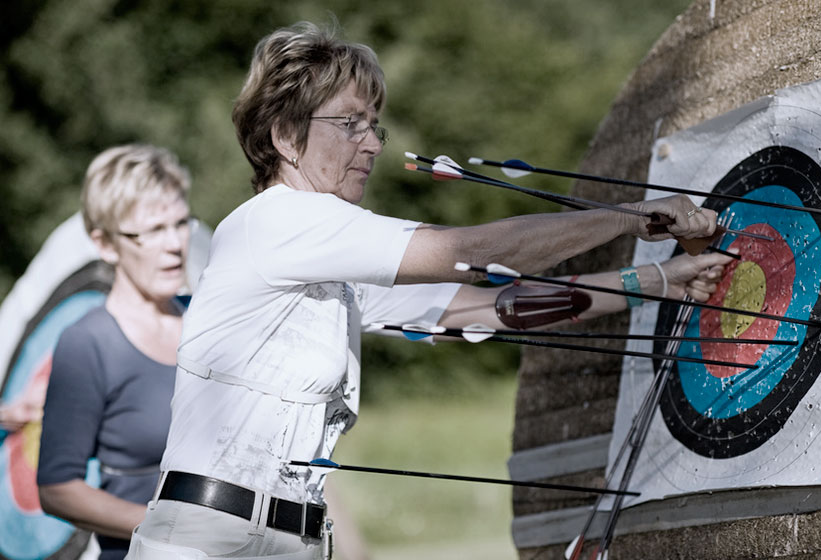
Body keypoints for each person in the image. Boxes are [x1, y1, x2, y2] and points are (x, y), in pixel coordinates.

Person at [128, 22, 726, 559]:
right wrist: (632, 216)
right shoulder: (278, 221)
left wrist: (655, 279)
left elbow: (500, 305)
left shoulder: (330, 257)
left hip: (294, 539)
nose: (372, 143)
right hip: (207, 539)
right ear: (286, 136)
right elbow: (477, 254)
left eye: (373, 126)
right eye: (348, 124)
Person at [37, 144, 192, 559]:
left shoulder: (209, 322)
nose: (176, 243)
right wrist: (167, 531)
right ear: (105, 244)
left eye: (181, 223)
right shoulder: (87, 342)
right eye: (154, 230)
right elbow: (57, 490)